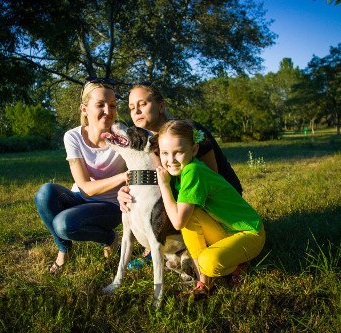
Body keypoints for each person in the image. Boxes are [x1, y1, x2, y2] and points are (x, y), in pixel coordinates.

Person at [118, 82, 243, 268]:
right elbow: (150, 183)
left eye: (142, 104)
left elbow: (210, 180)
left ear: (161, 106)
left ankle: (193, 249)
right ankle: (166, 248)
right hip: (183, 202)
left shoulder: (187, 131)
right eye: (131, 107)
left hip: (218, 202)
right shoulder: (145, 144)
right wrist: (126, 192)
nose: (135, 111)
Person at [155, 120, 266, 298]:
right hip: (223, 231)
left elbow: (177, 221)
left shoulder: (193, 172)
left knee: (208, 261)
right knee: (191, 216)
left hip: (249, 233)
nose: (170, 160)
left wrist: (164, 186)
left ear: (194, 150)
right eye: (165, 153)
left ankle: (239, 264)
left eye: (178, 152)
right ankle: (203, 282)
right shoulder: (178, 172)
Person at [35, 79, 127, 276]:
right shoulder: (73, 136)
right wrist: (123, 176)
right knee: (45, 193)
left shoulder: (123, 136)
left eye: (112, 105)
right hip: (80, 197)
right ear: (85, 109)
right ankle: (64, 251)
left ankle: (108, 238)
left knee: (64, 224)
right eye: (100, 105)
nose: (108, 111)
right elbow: (85, 187)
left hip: (110, 207)